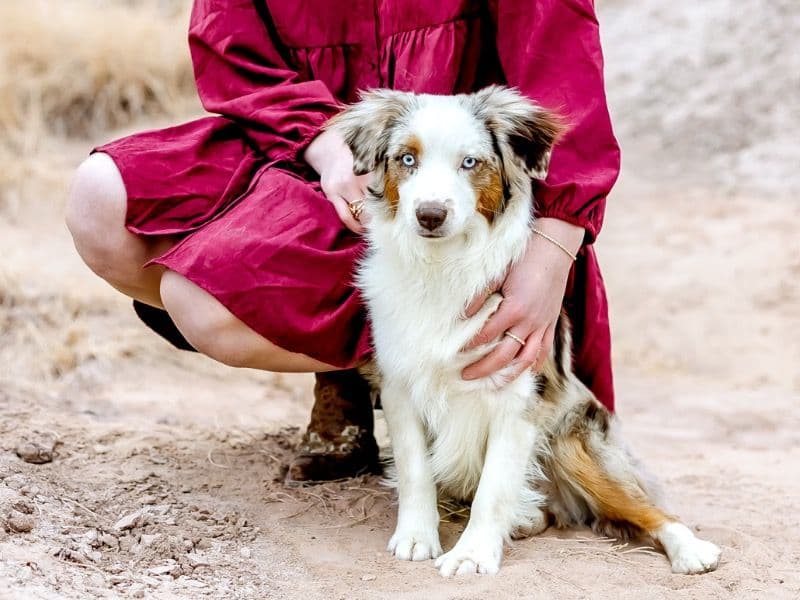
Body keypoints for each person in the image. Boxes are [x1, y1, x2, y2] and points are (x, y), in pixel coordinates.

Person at [65, 0, 620, 483]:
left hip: (459, 201)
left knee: (200, 303)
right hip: (303, 147)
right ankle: (358, 379)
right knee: (101, 203)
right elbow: (229, 47)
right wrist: (328, 145)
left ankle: (441, 392)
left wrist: (553, 250)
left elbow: (564, 79)